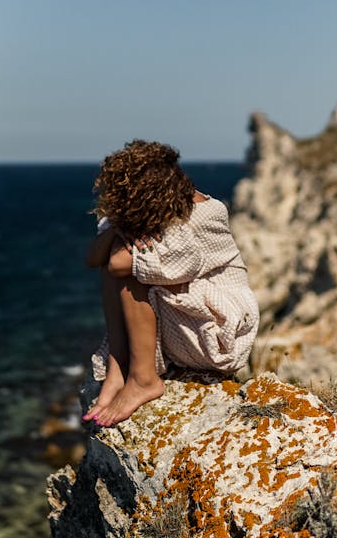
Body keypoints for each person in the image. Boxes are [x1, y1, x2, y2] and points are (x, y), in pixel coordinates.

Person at [82, 140, 259, 427]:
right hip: (188, 318)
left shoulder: (200, 216)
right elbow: (94, 258)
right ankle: (118, 367)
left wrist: (124, 235)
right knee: (121, 268)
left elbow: (117, 264)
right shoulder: (153, 211)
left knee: (132, 273)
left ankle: (144, 380)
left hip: (219, 330)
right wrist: (119, 224)